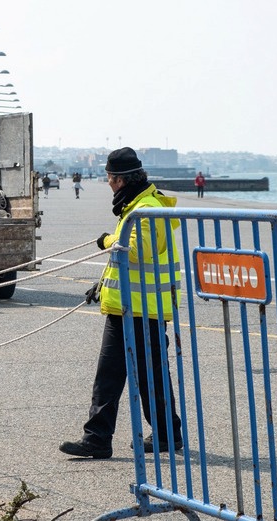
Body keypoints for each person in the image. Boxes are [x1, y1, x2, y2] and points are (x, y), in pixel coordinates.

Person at [60, 147, 183, 459]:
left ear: (120, 180)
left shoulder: (146, 208)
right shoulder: (135, 205)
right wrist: (102, 284)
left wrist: (106, 242)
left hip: (145, 309)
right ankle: (98, 439)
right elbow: (126, 262)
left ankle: (167, 434)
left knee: (149, 375)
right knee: (110, 375)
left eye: (110, 179)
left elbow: (136, 252)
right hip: (126, 305)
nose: (109, 185)